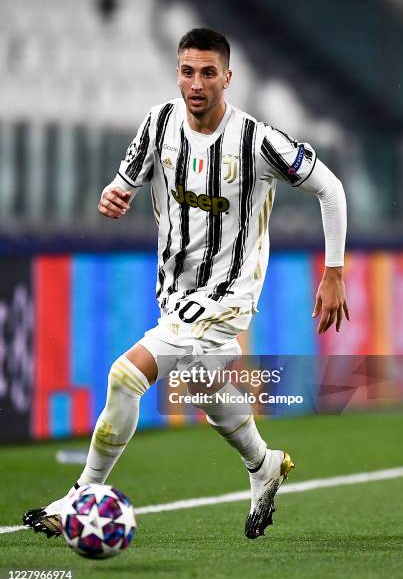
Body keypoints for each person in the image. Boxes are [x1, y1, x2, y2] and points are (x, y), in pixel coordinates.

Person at [23, 28, 349, 540]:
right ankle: (262, 463)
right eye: (187, 71)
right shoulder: (158, 123)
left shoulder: (256, 141)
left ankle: (81, 496)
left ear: (227, 77)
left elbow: (329, 188)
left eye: (208, 73)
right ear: (178, 72)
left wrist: (333, 272)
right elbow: (123, 180)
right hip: (175, 294)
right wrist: (113, 194)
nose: (196, 84)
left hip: (230, 294)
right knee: (199, 382)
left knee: (124, 377)